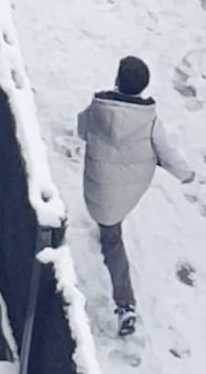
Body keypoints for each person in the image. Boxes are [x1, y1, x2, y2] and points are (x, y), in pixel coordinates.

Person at [77, 55, 193, 336]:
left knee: (107, 223)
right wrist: (186, 175)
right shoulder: (150, 123)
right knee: (112, 237)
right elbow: (168, 155)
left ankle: (106, 235)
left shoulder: (97, 109)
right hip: (125, 195)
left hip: (95, 189)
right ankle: (125, 304)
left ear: (117, 80)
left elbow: (82, 131)